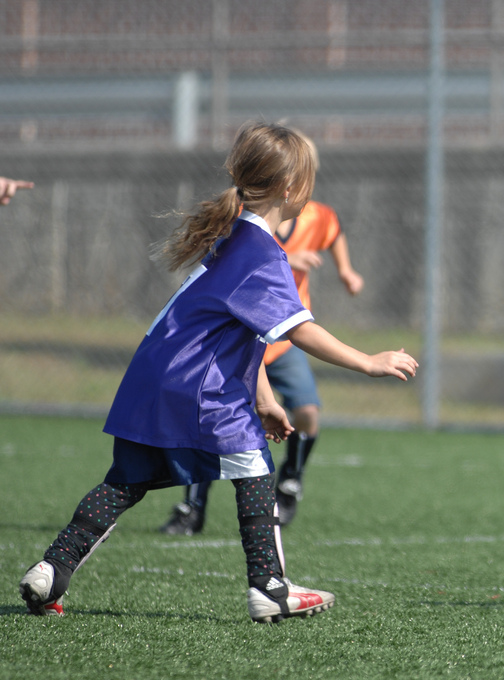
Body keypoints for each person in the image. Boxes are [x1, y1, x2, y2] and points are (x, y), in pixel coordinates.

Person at [18, 121, 417, 623]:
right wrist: (368, 361)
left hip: (152, 376)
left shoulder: (229, 240)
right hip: (198, 387)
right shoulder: (262, 254)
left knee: (125, 480)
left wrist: (266, 401)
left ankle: (53, 568)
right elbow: (298, 330)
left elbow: (241, 333)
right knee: (254, 470)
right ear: (292, 190)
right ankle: (270, 589)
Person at [161, 188, 365, 534]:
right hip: (239, 345)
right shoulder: (249, 228)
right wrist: (368, 363)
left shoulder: (316, 216)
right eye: (306, 177)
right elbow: (248, 270)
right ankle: (194, 508)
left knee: (306, 412)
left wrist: (346, 270)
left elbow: (334, 231)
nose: (311, 189)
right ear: (287, 187)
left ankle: (288, 485)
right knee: (213, 431)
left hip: (278, 344)